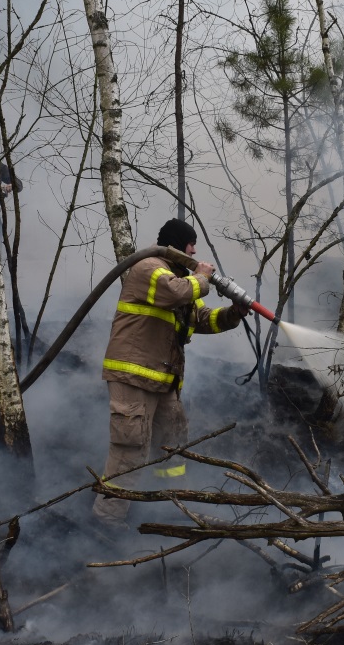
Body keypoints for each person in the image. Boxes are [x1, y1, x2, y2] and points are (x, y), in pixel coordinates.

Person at [94, 218, 250, 527]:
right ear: (178, 244)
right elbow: (177, 292)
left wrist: (234, 313)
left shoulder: (178, 280)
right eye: (191, 243)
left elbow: (202, 319)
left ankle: (168, 509)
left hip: (164, 382)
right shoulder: (148, 269)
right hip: (134, 377)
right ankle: (107, 520)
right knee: (131, 449)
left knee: (173, 446)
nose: (194, 250)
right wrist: (202, 277)